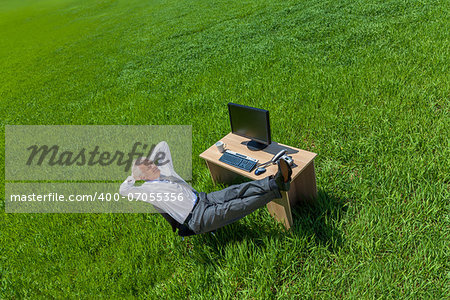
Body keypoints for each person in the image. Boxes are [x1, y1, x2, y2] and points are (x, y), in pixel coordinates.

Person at [119, 141, 292, 236]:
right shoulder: (147, 192)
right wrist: (134, 176)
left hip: (204, 199)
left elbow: (163, 145)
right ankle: (276, 187)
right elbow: (123, 190)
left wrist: (147, 160)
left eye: (152, 163)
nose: (153, 166)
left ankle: (273, 182)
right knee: (238, 206)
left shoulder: (165, 170)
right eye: (148, 168)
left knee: (237, 190)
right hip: (197, 219)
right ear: (141, 177)